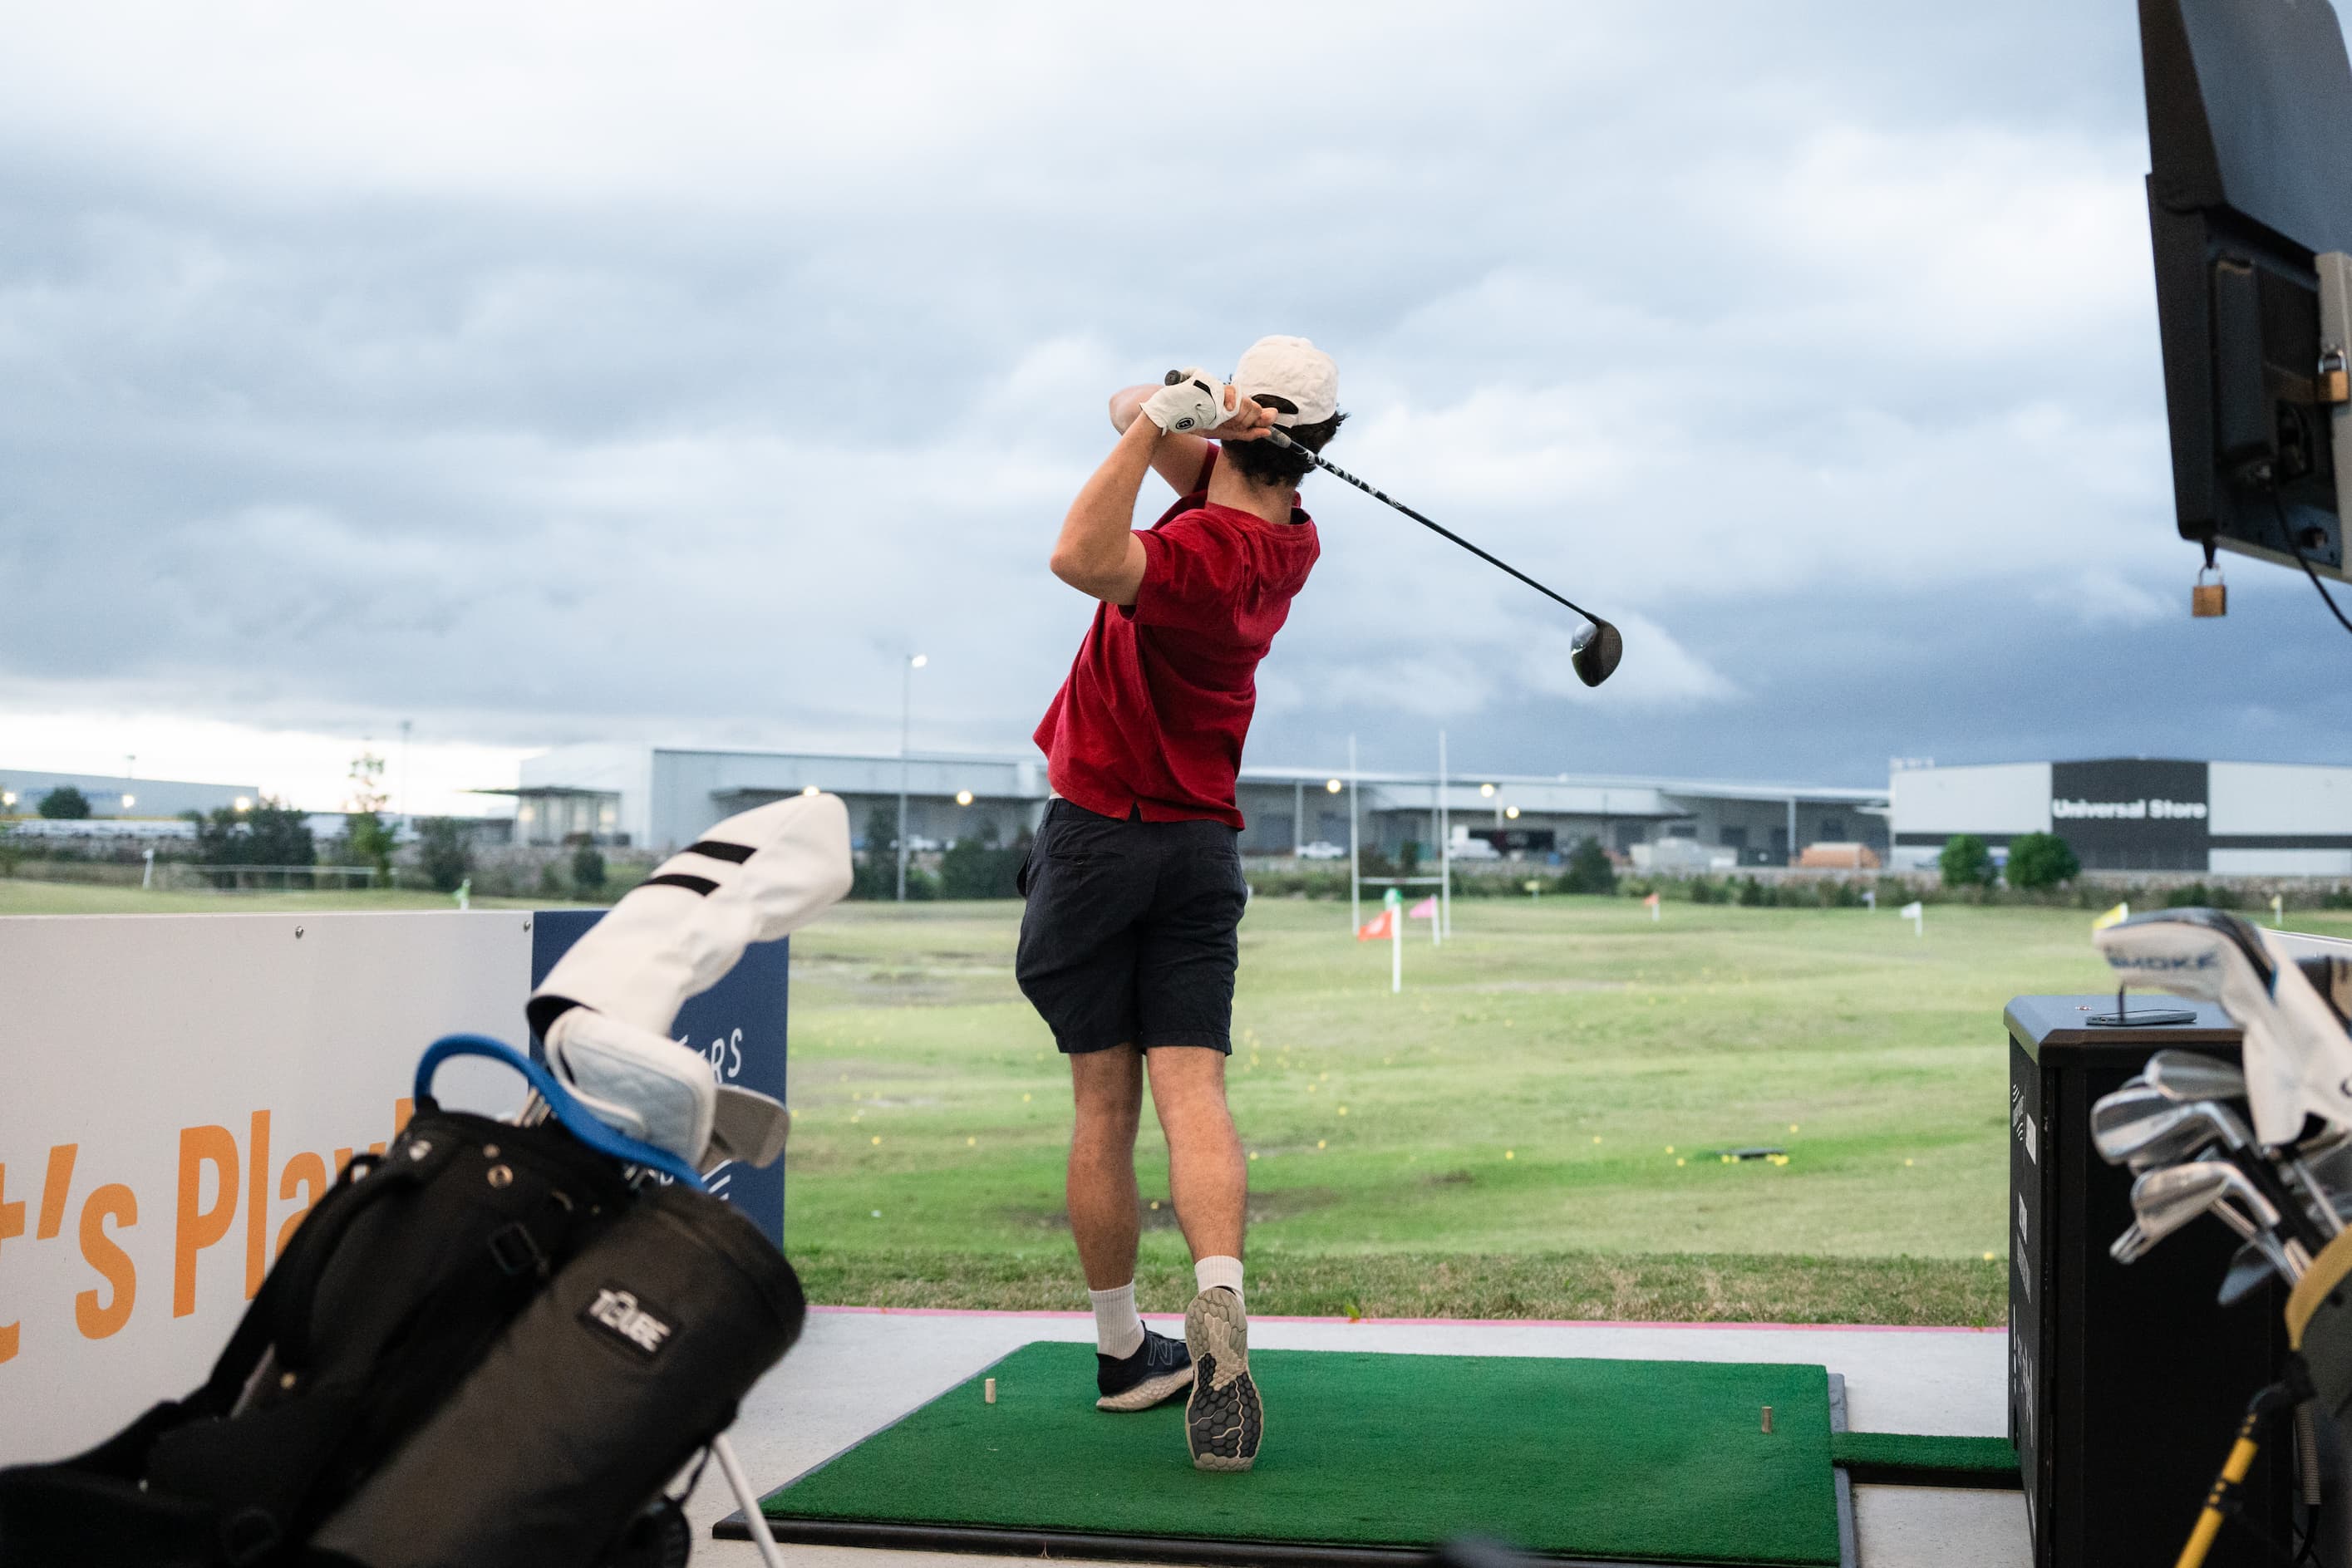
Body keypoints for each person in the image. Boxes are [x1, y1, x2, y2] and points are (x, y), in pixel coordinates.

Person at [1017, 336, 1346, 1472]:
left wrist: (1167, 419)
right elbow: (1128, 415)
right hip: (1201, 849)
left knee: (1102, 1109)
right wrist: (1181, 409)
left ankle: (1123, 1355)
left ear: (1254, 426)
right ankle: (1214, 1315)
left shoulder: (1199, 550)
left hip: (1105, 840)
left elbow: (1076, 552)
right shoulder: (1288, 539)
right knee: (1193, 1091)